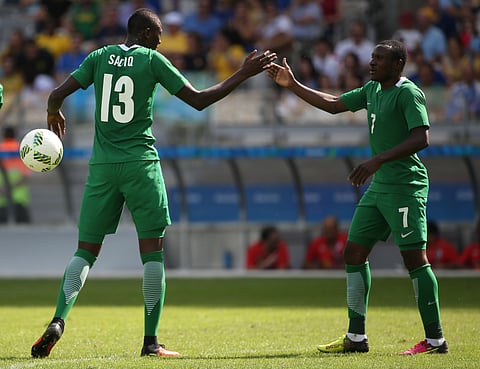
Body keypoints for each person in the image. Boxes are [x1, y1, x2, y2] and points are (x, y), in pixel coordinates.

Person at [30, 8, 276, 359]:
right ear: (145, 34)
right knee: (153, 253)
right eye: (157, 39)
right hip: (141, 165)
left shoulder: (99, 56)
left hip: (102, 167)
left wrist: (54, 111)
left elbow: (56, 94)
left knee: (85, 251)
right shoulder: (151, 61)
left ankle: (58, 320)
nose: (160, 46)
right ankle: (150, 342)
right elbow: (199, 100)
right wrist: (244, 72)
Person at [267, 39, 448, 355]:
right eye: (372, 57)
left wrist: (377, 160)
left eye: (380, 59)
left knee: (414, 259)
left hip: (406, 185)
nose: (372, 63)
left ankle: (435, 340)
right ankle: (356, 336)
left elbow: (422, 138)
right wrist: (292, 84)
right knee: (352, 253)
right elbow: (334, 104)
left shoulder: (407, 92)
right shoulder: (372, 90)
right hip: (380, 187)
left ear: (398, 65)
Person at [0, 126, 31, 224]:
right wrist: (11, 187)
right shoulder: (21, 150)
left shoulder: (1, 149)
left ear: (3, 135)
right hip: (19, 198)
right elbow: (25, 175)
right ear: (15, 135)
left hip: (1, 199)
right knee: (23, 231)